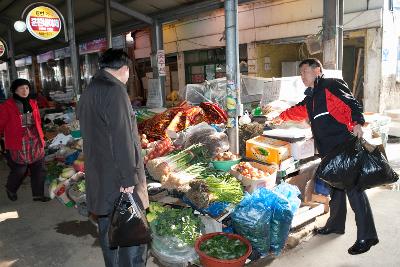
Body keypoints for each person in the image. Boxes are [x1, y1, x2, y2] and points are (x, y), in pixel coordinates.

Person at [272, 58, 378, 255]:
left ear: (317, 70)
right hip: (328, 149)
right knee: (336, 188)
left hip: (343, 145)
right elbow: (298, 110)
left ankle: (367, 235)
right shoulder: (312, 97)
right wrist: (280, 116)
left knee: (354, 189)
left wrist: (357, 122)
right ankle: (336, 224)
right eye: (301, 72)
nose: (302, 76)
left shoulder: (330, 85)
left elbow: (351, 102)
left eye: (305, 71)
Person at [77, 48, 149, 267]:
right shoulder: (115, 90)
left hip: (100, 174)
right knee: (130, 234)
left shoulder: (91, 89)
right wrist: (128, 180)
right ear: (125, 69)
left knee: (110, 232)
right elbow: (122, 138)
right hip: (118, 178)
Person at [0, 79, 49, 202]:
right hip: (19, 141)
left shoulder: (33, 102)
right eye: (21, 88)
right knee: (20, 169)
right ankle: (11, 188)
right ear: (15, 90)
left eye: (27, 88)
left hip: (34, 138)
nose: (24, 91)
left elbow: (37, 121)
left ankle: (38, 194)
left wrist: (42, 136)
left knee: (39, 167)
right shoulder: (7, 106)